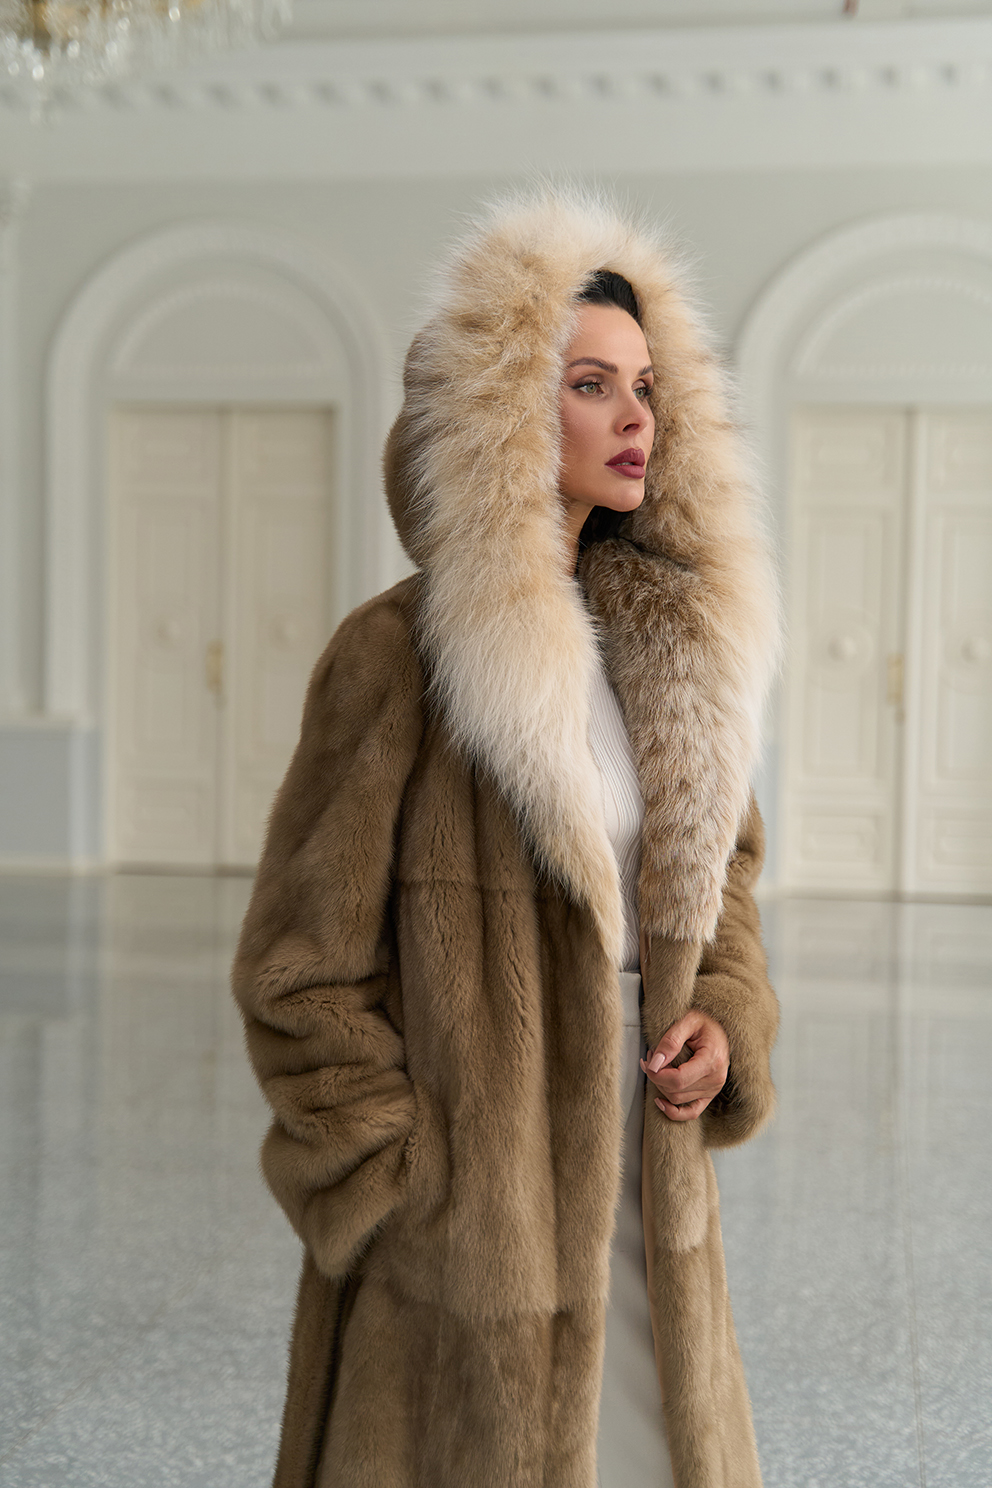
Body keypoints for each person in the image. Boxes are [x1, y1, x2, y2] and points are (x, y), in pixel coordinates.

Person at [231, 190, 781, 1488]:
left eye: (647, 386)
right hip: (469, 1248)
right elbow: (297, 974)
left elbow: (725, 885)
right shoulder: (398, 658)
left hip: (651, 1192)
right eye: (592, 385)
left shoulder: (674, 652)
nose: (636, 416)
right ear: (502, 415)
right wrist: (403, 1185)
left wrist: (724, 1017)